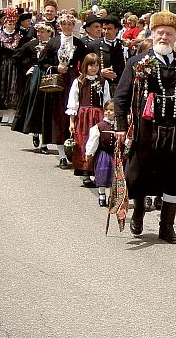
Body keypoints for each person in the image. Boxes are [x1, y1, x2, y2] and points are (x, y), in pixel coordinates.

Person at [114, 11, 176, 244]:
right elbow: (121, 97)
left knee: (174, 177)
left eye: (169, 34)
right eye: (160, 33)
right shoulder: (136, 63)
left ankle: (167, 228)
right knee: (140, 175)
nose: (164, 37)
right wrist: (121, 126)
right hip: (146, 131)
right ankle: (138, 212)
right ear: (152, 35)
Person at [40, 12, 87, 169]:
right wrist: (55, 68)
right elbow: (42, 62)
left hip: (73, 80)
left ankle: (72, 149)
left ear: (73, 26)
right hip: (57, 82)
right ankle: (61, 153)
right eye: (64, 24)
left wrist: (82, 75)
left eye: (70, 24)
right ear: (59, 26)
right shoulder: (53, 43)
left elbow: (86, 62)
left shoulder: (79, 44)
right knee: (58, 116)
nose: (67, 27)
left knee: (72, 114)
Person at [66, 53, 110, 187]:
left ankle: (97, 171)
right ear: (86, 65)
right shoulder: (79, 81)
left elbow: (107, 101)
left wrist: (107, 119)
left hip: (98, 115)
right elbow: (73, 102)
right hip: (83, 116)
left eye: (96, 65)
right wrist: (72, 122)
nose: (94, 68)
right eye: (91, 65)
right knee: (83, 141)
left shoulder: (103, 82)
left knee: (97, 143)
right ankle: (85, 173)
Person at [11, 22, 53, 149]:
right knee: (35, 105)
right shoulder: (31, 44)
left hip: (50, 76)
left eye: (42, 32)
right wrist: (26, 69)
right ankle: (35, 132)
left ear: (49, 33)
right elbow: (15, 57)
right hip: (36, 78)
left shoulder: (54, 44)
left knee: (48, 108)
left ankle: (45, 141)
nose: (39, 34)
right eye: (38, 32)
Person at [0, 8, 22, 124]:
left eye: (13, 23)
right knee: (2, 87)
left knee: (13, 89)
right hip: (2, 65)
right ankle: (0, 110)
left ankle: (11, 116)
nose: (11, 25)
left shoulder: (18, 36)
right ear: (5, 23)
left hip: (14, 66)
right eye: (9, 23)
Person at [85, 99, 117, 207]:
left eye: (111, 110)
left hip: (115, 154)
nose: (108, 112)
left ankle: (112, 196)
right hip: (103, 154)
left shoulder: (119, 127)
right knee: (102, 174)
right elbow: (92, 142)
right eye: (106, 110)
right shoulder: (98, 127)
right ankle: (102, 194)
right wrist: (89, 153)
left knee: (114, 176)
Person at [88, 16, 125, 96]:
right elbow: (85, 67)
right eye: (104, 29)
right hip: (100, 85)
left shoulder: (123, 45)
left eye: (109, 29)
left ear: (116, 30)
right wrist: (100, 72)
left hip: (119, 86)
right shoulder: (94, 46)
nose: (106, 32)